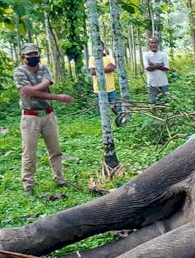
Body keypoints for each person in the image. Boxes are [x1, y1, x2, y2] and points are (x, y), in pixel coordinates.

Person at [13, 43, 74, 193]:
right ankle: (28, 183)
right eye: (30, 54)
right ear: (23, 57)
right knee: (29, 152)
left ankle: (59, 178)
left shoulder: (44, 69)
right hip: (30, 116)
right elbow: (29, 92)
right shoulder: (19, 72)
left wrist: (32, 90)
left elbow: (33, 89)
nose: (34, 57)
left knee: (55, 149)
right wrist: (57, 96)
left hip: (48, 114)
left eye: (35, 53)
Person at [88, 41, 120, 114]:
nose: (99, 49)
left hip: (110, 87)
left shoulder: (109, 57)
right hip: (98, 89)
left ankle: (120, 121)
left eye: (100, 46)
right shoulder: (92, 59)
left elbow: (112, 68)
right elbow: (92, 72)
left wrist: (98, 69)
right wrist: (106, 68)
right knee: (102, 110)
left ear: (103, 47)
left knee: (115, 107)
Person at [143, 37, 170, 104]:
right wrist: (160, 65)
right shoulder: (146, 55)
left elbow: (166, 68)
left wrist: (153, 65)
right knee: (153, 102)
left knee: (166, 102)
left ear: (157, 44)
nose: (153, 44)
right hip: (152, 83)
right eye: (151, 43)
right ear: (149, 44)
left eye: (155, 43)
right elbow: (148, 68)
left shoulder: (163, 54)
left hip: (163, 83)